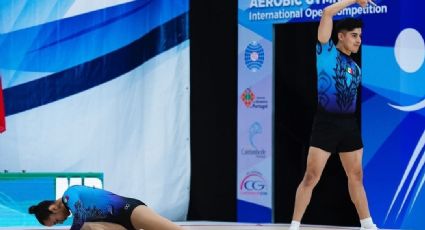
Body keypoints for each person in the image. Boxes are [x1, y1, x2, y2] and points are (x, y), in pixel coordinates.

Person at [288, 0, 378, 230]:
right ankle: (294, 225)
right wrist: (354, 0)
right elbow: (327, 12)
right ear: (340, 36)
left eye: (360, 36)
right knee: (311, 176)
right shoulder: (325, 51)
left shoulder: (356, 68)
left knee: (356, 175)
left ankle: (368, 225)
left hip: (349, 125)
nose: (359, 39)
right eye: (354, 35)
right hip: (326, 123)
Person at [28, 185, 183, 230]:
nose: (60, 223)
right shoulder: (72, 208)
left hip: (130, 211)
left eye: (55, 222)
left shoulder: (69, 194)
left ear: (53, 209)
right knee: (87, 228)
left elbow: (80, 217)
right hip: (118, 224)